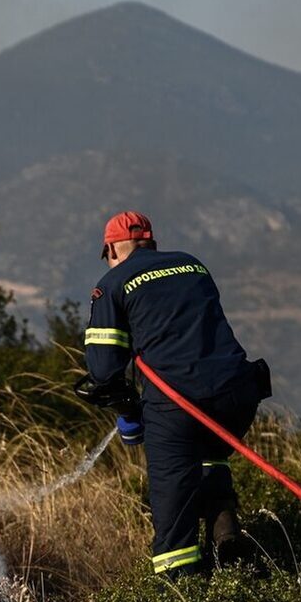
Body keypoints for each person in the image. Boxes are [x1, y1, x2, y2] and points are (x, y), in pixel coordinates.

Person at [75, 211, 271, 578]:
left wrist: (129, 412)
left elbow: (103, 370)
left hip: (180, 405)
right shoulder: (192, 265)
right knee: (210, 453)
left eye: (106, 254)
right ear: (150, 242)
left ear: (113, 248)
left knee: (173, 509)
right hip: (237, 395)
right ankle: (226, 533)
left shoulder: (112, 283)